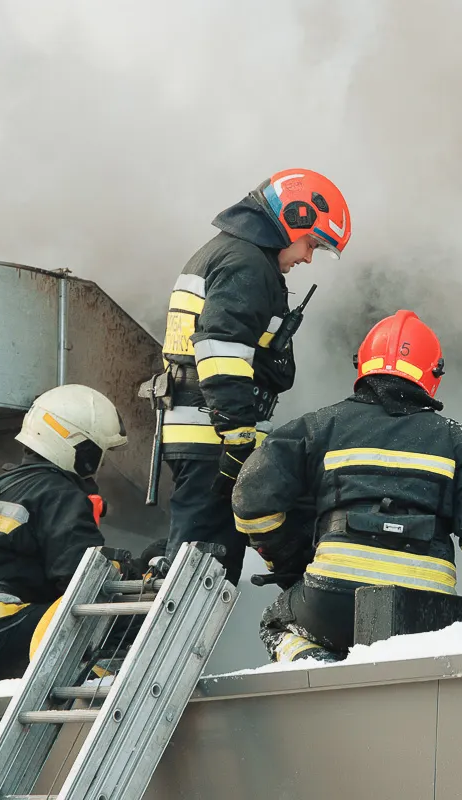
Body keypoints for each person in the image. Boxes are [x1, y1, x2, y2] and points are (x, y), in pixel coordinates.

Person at [230, 310, 462, 663]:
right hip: (428, 613)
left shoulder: (318, 427)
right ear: (433, 374)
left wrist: (290, 558)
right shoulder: (459, 441)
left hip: (333, 600)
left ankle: (317, 668)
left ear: (363, 366)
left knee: (277, 623)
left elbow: (250, 500)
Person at [154, 169, 352, 586]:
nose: (307, 258)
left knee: (201, 553)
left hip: (203, 432)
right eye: (311, 244)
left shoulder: (224, 254)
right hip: (215, 437)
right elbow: (221, 346)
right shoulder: (246, 264)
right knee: (202, 572)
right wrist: (239, 431)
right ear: (293, 219)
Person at [0, 384, 129, 694]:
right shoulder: (59, 494)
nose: (99, 466)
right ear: (78, 447)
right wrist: (129, 576)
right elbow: (82, 579)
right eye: (98, 453)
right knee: (105, 639)